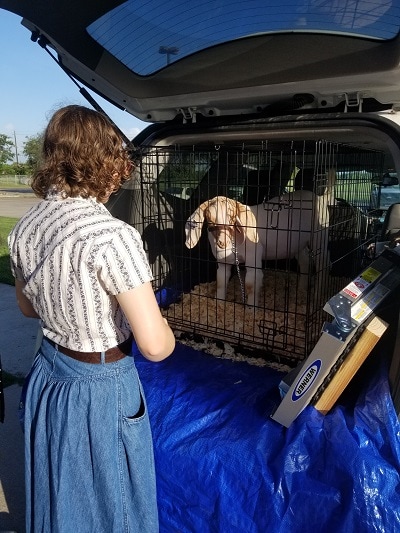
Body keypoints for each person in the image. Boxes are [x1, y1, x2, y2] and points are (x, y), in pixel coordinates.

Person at [8, 105, 175, 532]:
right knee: (113, 502)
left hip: (48, 371)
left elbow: (27, 308)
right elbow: (156, 347)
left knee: (57, 485)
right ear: (106, 160)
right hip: (99, 382)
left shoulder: (25, 228)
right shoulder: (113, 236)